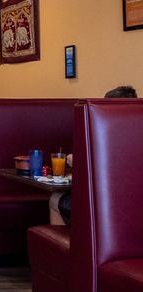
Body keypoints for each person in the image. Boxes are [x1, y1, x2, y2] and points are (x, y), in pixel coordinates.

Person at [49, 85, 137, 225]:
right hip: (134, 209)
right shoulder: (135, 131)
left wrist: (78, 160)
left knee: (55, 198)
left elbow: (105, 169)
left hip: (107, 209)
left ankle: (75, 245)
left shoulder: (108, 133)